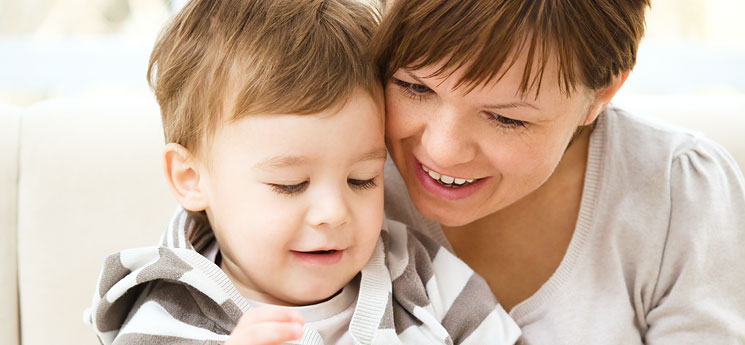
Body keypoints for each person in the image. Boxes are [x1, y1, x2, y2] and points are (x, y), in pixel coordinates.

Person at [85, 0, 521, 344]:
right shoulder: (168, 314)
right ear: (191, 178)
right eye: (290, 185)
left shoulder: (419, 278)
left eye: (362, 179)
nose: (333, 213)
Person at [373, 0, 745, 344]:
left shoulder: (679, 193)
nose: (443, 151)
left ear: (601, 95)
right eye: (413, 87)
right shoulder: (334, 172)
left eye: (505, 118)